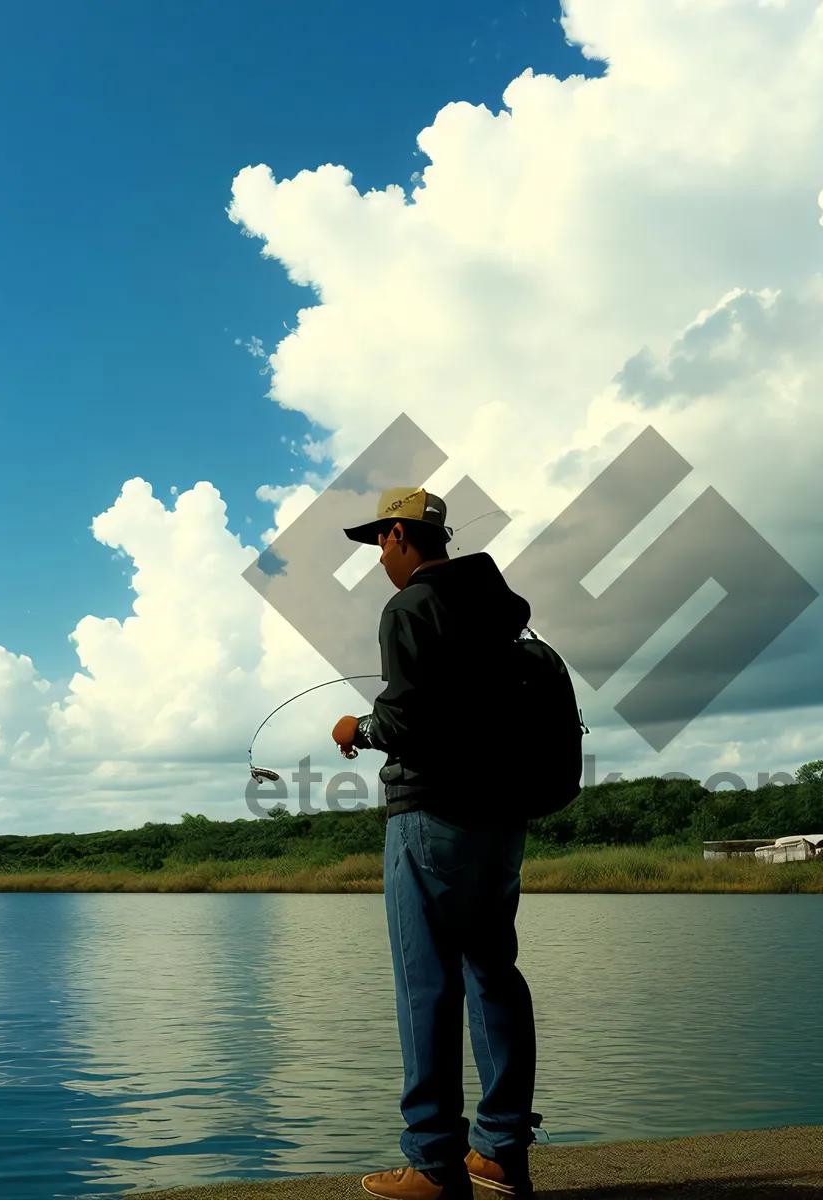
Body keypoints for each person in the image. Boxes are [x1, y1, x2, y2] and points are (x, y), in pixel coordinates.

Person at [332, 487, 542, 1200]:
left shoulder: (412, 606)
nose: (380, 559)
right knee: (494, 977)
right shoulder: (498, 610)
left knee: (427, 985)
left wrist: (353, 731)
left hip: (431, 817)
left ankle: (432, 1164)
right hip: (502, 819)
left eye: (379, 545)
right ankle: (501, 1153)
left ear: (398, 537)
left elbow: (403, 720)